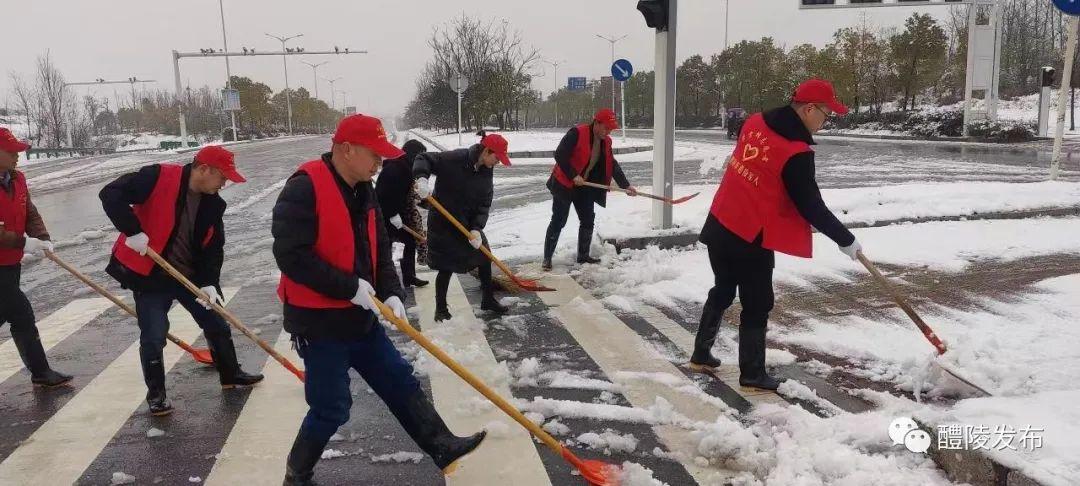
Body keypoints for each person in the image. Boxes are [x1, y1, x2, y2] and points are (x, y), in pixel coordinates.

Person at [273, 114, 486, 485]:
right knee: (331, 408)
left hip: (361, 317)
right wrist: (349, 287)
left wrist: (391, 290)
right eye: (374, 154)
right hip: (319, 322)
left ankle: (441, 443)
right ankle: (298, 472)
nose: (380, 163)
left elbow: (379, 246)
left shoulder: (364, 188)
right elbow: (291, 256)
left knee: (399, 380)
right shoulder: (304, 187)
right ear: (346, 149)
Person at [692, 79, 862, 391]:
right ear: (809, 109)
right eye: (826, 114)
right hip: (749, 236)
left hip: (719, 222)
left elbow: (764, 177)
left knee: (723, 289)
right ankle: (753, 373)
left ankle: (701, 353)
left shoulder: (754, 122)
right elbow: (811, 204)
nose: (826, 122)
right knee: (758, 304)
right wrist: (845, 239)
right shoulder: (795, 152)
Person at [99, 145, 263, 416]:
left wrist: (210, 283)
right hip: (150, 275)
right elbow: (110, 194)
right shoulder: (157, 177)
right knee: (153, 336)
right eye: (222, 177)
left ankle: (231, 375)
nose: (224, 183)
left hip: (188, 276)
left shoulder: (213, 203)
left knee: (216, 324)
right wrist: (132, 231)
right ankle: (157, 395)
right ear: (203, 169)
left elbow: (213, 247)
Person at [413, 131, 512, 322]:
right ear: (486, 151)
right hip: (443, 222)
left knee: (484, 257)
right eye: (497, 158)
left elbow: (485, 202)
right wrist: (421, 177)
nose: (498, 163)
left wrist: (476, 228)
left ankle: (488, 299)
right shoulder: (455, 158)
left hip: (467, 223)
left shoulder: (486, 171)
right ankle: (441, 309)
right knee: (445, 265)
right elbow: (423, 158)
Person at [0, 127, 71, 388]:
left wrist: (42, 237)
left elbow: (29, 211)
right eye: (11, 151)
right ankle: (41, 371)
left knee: (11, 313)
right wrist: (24, 242)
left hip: (9, 263)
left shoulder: (17, 179)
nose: (17, 156)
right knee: (21, 314)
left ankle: (41, 372)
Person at [542, 108, 637, 271]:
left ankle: (583, 256)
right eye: (606, 128)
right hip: (564, 184)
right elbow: (560, 154)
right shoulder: (577, 133)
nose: (608, 132)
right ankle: (547, 258)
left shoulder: (606, 142)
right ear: (597, 123)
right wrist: (573, 175)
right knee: (559, 220)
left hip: (584, 186)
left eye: (611, 130)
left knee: (587, 220)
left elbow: (611, 164)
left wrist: (625, 185)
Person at [376, 139, 428, 288]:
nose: (421, 160)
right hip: (384, 214)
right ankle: (382, 281)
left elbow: (408, 194)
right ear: (412, 154)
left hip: (398, 213)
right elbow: (383, 193)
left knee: (409, 243)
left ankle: (409, 277)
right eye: (420, 156)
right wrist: (392, 214)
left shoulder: (406, 168)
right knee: (384, 247)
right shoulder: (394, 169)